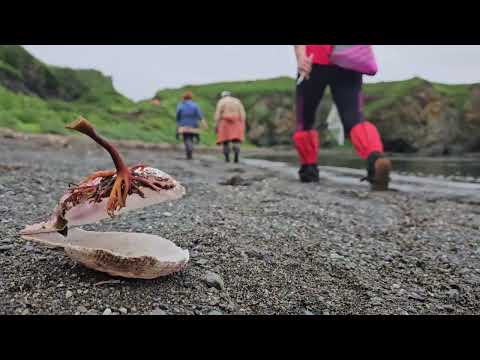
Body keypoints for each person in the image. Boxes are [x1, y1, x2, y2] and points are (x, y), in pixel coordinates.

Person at [293, 45, 392, 190]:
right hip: (349, 58)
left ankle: (309, 170)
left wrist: (301, 57)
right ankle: (375, 158)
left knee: (305, 121)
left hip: (314, 58)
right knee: (354, 119)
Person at [214, 91, 246, 163]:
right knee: (236, 140)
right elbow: (242, 113)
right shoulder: (237, 101)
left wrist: (216, 124)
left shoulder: (221, 101)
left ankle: (227, 158)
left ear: (223, 96)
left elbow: (218, 113)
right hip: (236, 122)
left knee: (225, 141)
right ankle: (236, 155)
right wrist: (242, 123)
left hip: (225, 122)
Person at [176, 91, 206, 160]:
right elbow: (200, 116)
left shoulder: (180, 105)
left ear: (184, 98)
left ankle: (188, 151)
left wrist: (177, 127)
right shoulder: (195, 105)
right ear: (191, 98)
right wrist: (204, 124)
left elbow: (178, 117)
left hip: (183, 125)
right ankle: (191, 148)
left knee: (186, 138)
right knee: (191, 138)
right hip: (193, 125)